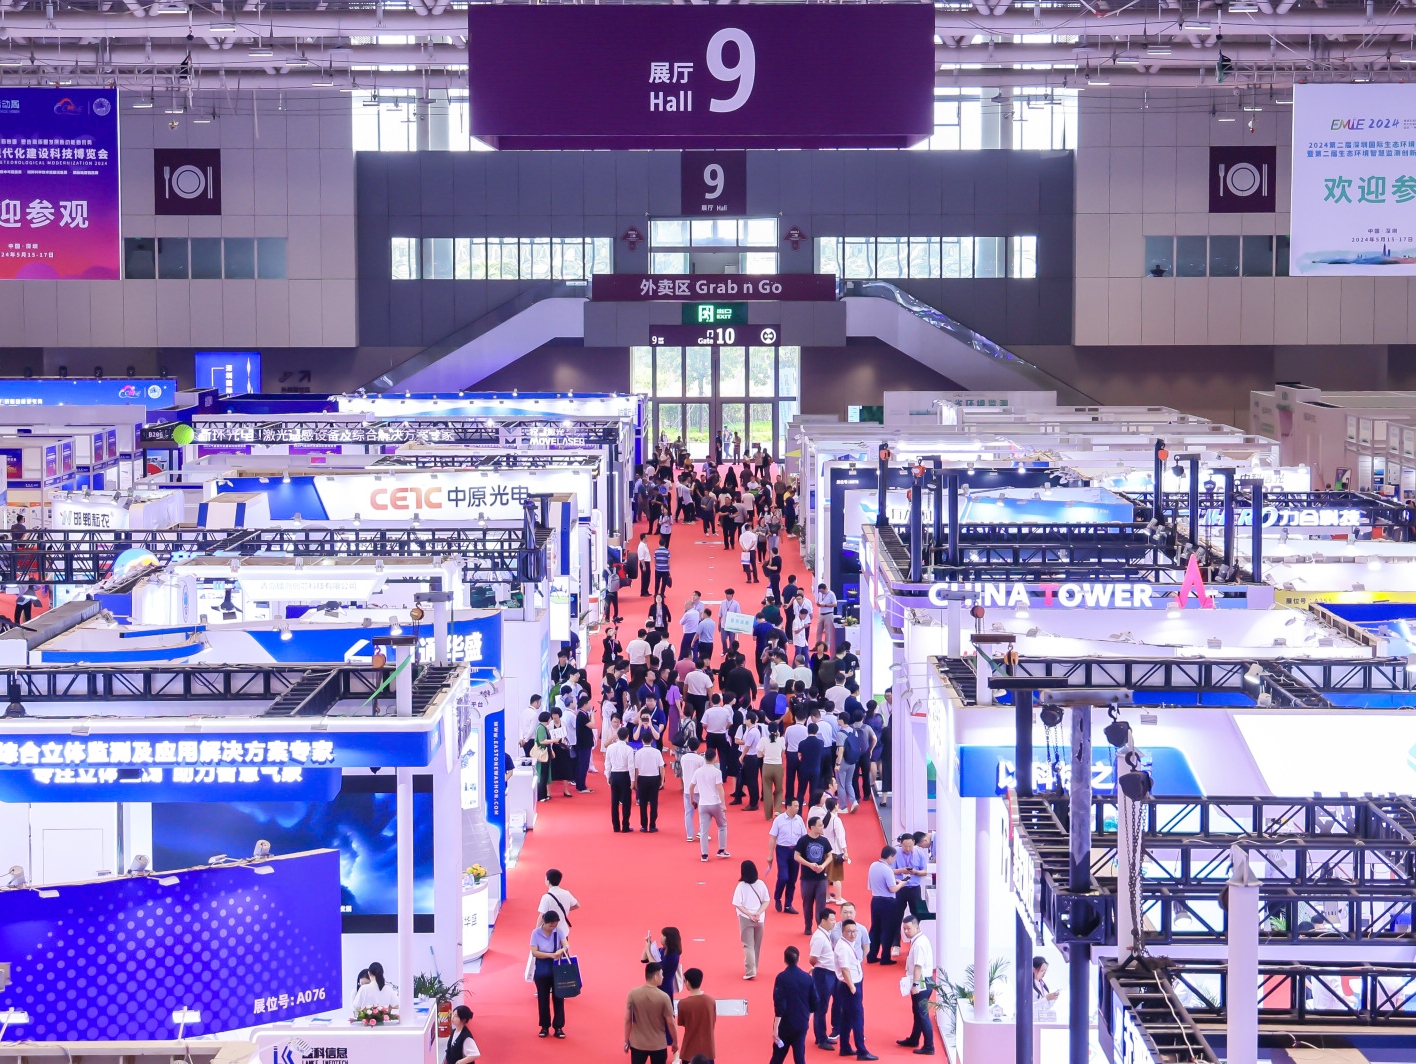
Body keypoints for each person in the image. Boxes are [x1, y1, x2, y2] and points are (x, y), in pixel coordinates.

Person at [833, 920, 875, 1059]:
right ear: (843, 932)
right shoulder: (843, 948)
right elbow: (845, 969)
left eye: (854, 931)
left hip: (853, 983)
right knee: (857, 1019)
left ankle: (845, 1047)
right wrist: (852, 987)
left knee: (846, 1018)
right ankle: (861, 1051)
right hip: (849, 986)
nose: (853, 934)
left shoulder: (848, 944)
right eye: (849, 932)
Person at [770, 946, 818, 1064]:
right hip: (801, 1024)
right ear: (798, 959)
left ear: (785, 959)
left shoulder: (781, 978)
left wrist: (775, 1028)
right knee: (799, 1058)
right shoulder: (807, 978)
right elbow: (814, 1003)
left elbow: (780, 1005)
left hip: (785, 1025)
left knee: (777, 1057)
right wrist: (806, 1019)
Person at [624, 962, 677, 1064]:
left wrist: (626, 1040)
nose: (663, 977)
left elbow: (628, 1019)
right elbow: (671, 1022)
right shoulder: (664, 997)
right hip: (658, 1044)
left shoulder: (633, 994)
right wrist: (675, 1042)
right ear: (655, 976)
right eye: (661, 974)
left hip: (638, 1044)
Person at [897, 914, 936, 1054]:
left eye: (908, 928)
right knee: (918, 1012)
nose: (906, 931)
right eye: (904, 929)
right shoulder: (919, 940)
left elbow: (918, 967)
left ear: (917, 927)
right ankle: (914, 1039)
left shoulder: (919, 944)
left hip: (921, 981)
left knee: (922, 1014)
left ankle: (929, 1046)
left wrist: (915, 985)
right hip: (925, 980)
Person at [530, 911, 570, 1038]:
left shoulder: (559, 931)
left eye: (555, 925)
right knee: (543, 998)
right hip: (542, 967)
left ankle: (558, 1027)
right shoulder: (535, 933)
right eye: (551, 925)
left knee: (559, 997)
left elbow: (566, 944)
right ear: (545, 922)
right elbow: (534, 952)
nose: (553, 927)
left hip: (557, 967)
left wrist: (562, 949)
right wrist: (550, 955)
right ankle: (544, 1026)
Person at [689, 746, 730, 861]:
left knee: (704, 830)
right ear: (715, 758)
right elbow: (720, 788)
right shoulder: (717, 772)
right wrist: (723, 804)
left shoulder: (698, 771)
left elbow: (691, 787)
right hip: (715, 803)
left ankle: (704, 855)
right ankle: (721, 850)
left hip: (703, 804)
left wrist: (692, 800)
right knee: (722, 826)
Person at [795, 816, 834, 934]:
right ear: (812, 827)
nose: (822, 827)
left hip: (821, 878)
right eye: (820, 825)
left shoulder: (824, 841)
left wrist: (823, 866)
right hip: (807, 878)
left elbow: (830, 856)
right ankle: (808, 925)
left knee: (821, 904)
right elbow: (796, 856)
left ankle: (820, 927)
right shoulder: (803, 840)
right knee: (807, 903)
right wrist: (810, 865)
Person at [768, 796, 807, 914]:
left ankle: (788, 905)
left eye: (798, 806)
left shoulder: (799, 820)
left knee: (792, 879)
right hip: (782, 850)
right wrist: (770, 854)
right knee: (783, 877)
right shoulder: (779, 820)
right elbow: (773, 838)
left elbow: (804, 837)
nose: (798, 808)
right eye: (795, 806)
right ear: (788, 806)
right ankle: (777, 897)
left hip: (795, 850)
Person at [733, 859, 771, 980]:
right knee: (757, 945)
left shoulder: (741, 886)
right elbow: (766, 900)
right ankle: (755, 967)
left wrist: (749, 914)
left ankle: (750, 970)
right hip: (760, 919)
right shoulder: (761, 884)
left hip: (746, 919)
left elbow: (737, 903)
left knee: (748, 945)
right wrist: (759, 913)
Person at [808, 908, 839, 1049]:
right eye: (832, 920)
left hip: (829, 973)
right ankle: (821, 1039)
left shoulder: (826, 934)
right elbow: (812, 959)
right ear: (823, 920)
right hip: (823, 974)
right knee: (821, 1007)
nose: (834, 922)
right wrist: (819, 967)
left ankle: (822, 1036)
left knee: (824, 1006)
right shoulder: (819, 937)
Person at [866, 846, 902, 964]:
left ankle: (871, 955)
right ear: (890, 857)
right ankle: (885, 957)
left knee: (875, 929)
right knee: (888, 929)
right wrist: (901, 884)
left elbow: (871, 885)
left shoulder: (873, 865)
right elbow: (893, 889)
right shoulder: (887, 870)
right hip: (888, 902)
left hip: (875, 900)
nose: (894, 860)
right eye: (894, 858)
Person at [677, 968, 717, 1064]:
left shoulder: (683, 1003)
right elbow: (713, 1020)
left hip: (689, 1050)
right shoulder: (711, 1001)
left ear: (688, 983)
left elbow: (681, 1022)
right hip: (708, 1050)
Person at [892, 832, 928, 934]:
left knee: (917, 915)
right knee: (896, 916)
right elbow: (890, 870)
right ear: (901, 844)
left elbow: (925, 871)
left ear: (914, 843)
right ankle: (896, 941)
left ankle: (916, 937)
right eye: (905, 846)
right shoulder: (895, 853)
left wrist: (916, 872)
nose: (908, 849)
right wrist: (902, 870)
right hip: (900, 887)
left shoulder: (919, 853)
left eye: (910, 846)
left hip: (914, 888)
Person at [606, 726, 636, 833]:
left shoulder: (610, 748)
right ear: (627, 736)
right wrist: (633, 780)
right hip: (625, 775)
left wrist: (608, 776)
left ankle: (616, 826)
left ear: (617, 736)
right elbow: (631, 766)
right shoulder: (629, 749)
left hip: (614, 774)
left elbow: (607, 764)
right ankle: (625, 826)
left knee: (614, 802)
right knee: (626, 802)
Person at [678, 736, 706, 843]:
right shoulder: (700, 759)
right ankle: (701, 832)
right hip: (699, 789)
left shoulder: (683, 758)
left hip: (687, 788)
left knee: (688, 812)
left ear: (688, 746)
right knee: (703, 812)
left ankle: (689, 835)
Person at [641, 926, 683, 996]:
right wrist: (648, 945)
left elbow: (657, 966)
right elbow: (643, 959)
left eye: (663, 935)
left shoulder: (673, 955)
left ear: (668, 938)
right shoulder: (662, 950)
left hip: (665, 987)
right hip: (655, 985)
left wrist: (648, 949)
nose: (661, 937)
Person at [634, 738, 664, 832]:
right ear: (652, 740)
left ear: (642, 741)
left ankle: (643, 826)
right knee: (654, 802)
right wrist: (662, 780)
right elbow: (661, 767)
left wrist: (635, 781)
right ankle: (652, 825)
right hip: (654, 778)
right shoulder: (657, 752)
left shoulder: (638, 752)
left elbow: (636, 769)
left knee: (642, 803)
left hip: (642, 778)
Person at [761, 724, 787, 819]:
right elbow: (782, 753)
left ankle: (768, 815)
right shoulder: (781, 740)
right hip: (778, 766)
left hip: (767, 766)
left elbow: (759, 754)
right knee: (779, 790)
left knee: (767, 791)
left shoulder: (763, 740)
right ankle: (778, 810)